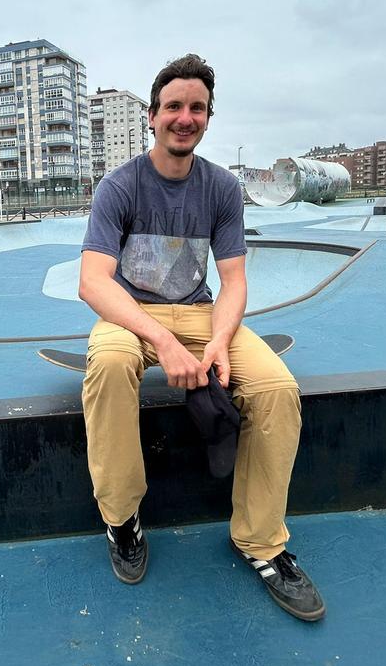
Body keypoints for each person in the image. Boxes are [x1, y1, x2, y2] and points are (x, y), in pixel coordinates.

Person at [77, 54, 324, 622]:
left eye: (196, 108)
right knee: (110, 368)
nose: (184, 118)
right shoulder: (119, 186)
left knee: (276, 388)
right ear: (152, 116)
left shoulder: (220, 187)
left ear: (208, 117)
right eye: (173, 107)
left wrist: (218, 339)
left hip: (199, 312)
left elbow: (234, 280)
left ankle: (260, 542)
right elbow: (93, 282)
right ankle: (122, 520)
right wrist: (161, 344)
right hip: (129, 314)